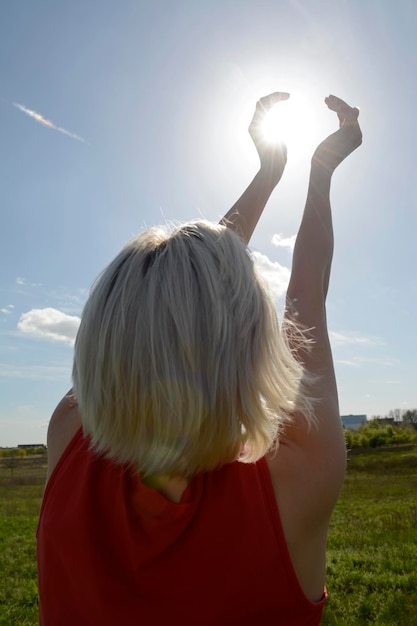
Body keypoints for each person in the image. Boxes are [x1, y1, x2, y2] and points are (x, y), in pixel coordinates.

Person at [37, 93, 362, 625]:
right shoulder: (295, 480)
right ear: (250, 350)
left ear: (102, 338)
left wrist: (266, 177)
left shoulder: (66, 433)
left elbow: (178, 304)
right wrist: (317, 171)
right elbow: (305, 292)